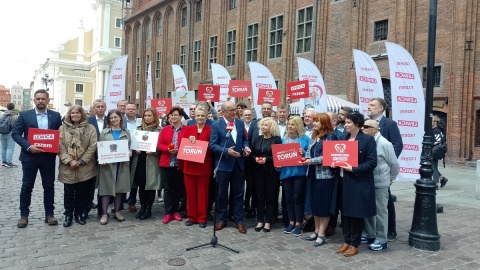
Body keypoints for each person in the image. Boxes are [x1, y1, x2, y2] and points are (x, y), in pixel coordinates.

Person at [12, 89, 63, 228]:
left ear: (48, 100)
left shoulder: (56, 116)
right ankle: (24, 216)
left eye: (43, 99)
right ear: (34, 100)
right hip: (30, 157)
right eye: (38, 99)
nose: (40, 101)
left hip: (48, 157)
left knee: (49, 186)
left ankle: (49, 214)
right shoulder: (24, 115)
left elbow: (60, 133)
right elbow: (16, 134)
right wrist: (29, 146)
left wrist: (59, 143)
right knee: (27, 186)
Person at [334, 111, 377, 257]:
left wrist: (353, 168)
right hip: (343, 180)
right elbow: (337, 156)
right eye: (345, 122)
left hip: (358, 181)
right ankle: (346, 240)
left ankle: (354, 243)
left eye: (348, 123)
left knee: (356, 213)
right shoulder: (343, 139)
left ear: (356, 124)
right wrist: (334, 163)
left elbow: (372, 162)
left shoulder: (367, 140)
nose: (345, 125)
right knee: (345, 212)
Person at [210, 101, 251, 234]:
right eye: (231, 110)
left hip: (238, 164)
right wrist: (227, 151)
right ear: (223, 112)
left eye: (235, 109)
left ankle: (239, 220)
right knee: (221, 194)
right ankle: (222, 219)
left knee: (238, 194)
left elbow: (245, 139)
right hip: (223, 165)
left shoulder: (239, 123)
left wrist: (246, 147)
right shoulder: (216, 125)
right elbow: (213, 145)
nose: (234, 112)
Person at [367, 97, 403, 241]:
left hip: (382, 170)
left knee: (386, 202)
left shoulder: (389, 124)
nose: (368, 107)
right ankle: (371, 230)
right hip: (368, 171)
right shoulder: (366, 123)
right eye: (369, 105)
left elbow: (397, 145)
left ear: (381, 108)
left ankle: (390, 230)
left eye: (372, 105)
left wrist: (387, 162)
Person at [361, 120, 399, 251]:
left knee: (381, 211)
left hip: (380, 182)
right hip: (367, 182)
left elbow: (394, 164)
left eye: (366, 127)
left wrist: (390, 180)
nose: (362, 128)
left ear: (374, 129)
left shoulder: (384, 144)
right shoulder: (367, 141)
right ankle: (371, 234)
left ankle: (382, 239)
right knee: (369, 209)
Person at [302, 113, 338, 246]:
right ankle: (316, 230)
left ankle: (322, 233)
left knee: (323, 205)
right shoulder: (314, 136)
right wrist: (305, 158)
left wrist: (311, 161)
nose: (314, 123)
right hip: (312, 174)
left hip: (325, 176)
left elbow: (327, 157)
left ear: (324, 123)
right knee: (315, 204)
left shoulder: (330, 136)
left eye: (317, 121)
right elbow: (308, 152)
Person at [58, 105, 98, 227]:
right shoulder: (62, 128)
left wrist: (81, 161)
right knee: (68, 193)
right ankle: (68, 214)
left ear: (82, 114)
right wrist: (70, 161)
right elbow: (60, 146)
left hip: (85, 167)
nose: (75, 115)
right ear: (69, 115)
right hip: (68, 167)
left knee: (82, 192)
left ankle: (79, 213)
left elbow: (92, 147)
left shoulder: (90, 128)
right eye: (73, 113)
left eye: (77, 113)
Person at [97, 109, 132, 225]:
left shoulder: (126, 132)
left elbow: (129, 146)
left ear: (120, 118)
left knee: (119, 189)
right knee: (106, 189)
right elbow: (100, 147)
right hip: (108, 166)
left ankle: (117, 211)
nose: (113, 120)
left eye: (115, 117)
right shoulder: (104, 133)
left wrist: (129, 152)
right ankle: (104, 213)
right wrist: (102, 158)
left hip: (121, 165)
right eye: (111, 118)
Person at [181, 107, 212, 228]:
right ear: (195, 117)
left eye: (202, 116)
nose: (200, 118)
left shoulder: (210, 130)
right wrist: (190, 142)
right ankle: (192, 216)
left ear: (206, 117)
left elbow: (212, 148)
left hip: (204, 166)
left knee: (203, 193)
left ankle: (202, 217)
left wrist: (198, 143)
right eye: (198, 116)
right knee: (190, 193)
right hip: (189, 166)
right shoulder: (188, 129)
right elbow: (183, 145)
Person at [250, 117, 282, 233]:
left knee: (270, 197)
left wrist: (266, 159)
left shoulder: (277, 139)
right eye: (262, 125)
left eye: (265, 125)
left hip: (271, 173)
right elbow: (252, 153)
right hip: (258, 172)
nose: (263, 127)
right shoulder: (258, 139)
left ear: (271, 127)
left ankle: (268, 221)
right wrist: (256, 159)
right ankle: (260, 220)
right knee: (259, 197)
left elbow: (278, 156)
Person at [279, 116, 309, 236]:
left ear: (298, 126)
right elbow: (280, 155)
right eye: (289, 124)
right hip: (286, 173)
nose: (290, 126)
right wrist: (278, 165)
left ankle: (298, 223)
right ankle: (291, 222)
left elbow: (309, 154)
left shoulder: (305, 138)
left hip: (299, 173)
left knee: (298, 199)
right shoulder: (284, 139)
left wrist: (304, 153)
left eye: (293, 124)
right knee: (289, 199)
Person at [130, 108, 162, 220]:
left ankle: (148, 208)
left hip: (151, 161)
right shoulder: (139, 129)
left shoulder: (159, 130)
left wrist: (155, 151)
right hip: (140, 160)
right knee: (141, 185)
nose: (147, 118)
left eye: (149, 115)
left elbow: (161, 147)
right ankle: (142, 207)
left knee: (150, 186)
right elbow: (133, 145)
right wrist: (135, 150)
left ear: (154, 117)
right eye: (145, 116)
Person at [157, 106, 185, 224]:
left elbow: (189, 144)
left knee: (178, 189)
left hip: (180, 163)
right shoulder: (165, 129)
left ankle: (175, 211)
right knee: (167, 189)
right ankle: (168, 212)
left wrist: (181, 149)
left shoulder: (186, 130)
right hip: (166, 163)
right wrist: (168, 149)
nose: (173, 117)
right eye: (172, 115)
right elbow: (159, 145)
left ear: (181, 117)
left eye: (176, 115)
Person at [86, 99, 108, 218]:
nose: (100, 108)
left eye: (102, 106)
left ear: (105, 108)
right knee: (90, 183)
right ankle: (87, 206)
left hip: (106, 156)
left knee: (104, 183)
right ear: (94, 108)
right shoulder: (88, 120)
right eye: (97, 106)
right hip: (91, 156)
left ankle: (102, 209)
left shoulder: (110, 119)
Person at [125, 102, 140, 212]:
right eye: (128, 109)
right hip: (122, 152)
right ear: (125, 110)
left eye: (133, 109)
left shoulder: (140, 122)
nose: (130, 110)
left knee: (134, 178)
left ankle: (132, 201)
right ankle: (120, 201)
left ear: (136, 111)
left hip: (137, 153)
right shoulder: (120, 121)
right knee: (122, 177)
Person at [432, 115, 448, 188]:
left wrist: (431, 144)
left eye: (431, 121)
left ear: (435, 122)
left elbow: (438, 141)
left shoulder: (436, 130)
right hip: (435, 150)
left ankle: (435, 183)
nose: (430, 122)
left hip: (434, 150)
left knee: (433, 167)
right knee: (433, 166)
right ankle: (442, 179)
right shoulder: (437, 130)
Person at [1, 102, 18, 168]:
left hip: (2, 132)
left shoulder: (2, 115)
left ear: (7, 107)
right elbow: (17, 126)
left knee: (3, 147)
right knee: (10, 148)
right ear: (13, 108)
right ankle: (9, 162)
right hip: (11, 133)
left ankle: (3, 161)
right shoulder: (15, 116)